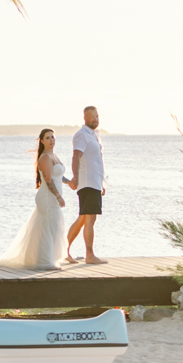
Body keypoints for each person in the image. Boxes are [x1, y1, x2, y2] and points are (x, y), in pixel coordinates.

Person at [0, 129, 68, 270]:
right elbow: (47, 179)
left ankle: (46, 258)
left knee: (53, 227)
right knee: (47, 228)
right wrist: (59, 196)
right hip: (47, 197)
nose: (51, 140)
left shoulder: (54, 155)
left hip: (53, 198)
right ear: (42, 141)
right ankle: (44, 261)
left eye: (53, 137)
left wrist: (69, 182)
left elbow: (58, 176)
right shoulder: (45, 157)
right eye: (47, 138)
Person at [66, 105, 107, 264]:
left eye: (96, 116)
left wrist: (101, 182)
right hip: (87, 183)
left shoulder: (94, 135)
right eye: (91, 117)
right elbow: (76, 157)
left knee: (84, 218)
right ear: (85, 118)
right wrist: (75, 178)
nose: (95, 119)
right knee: (89, 219)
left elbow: (96, 161)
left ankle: (64, 249)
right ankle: (89, 255)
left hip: (94, 182)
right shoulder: (82, 135)